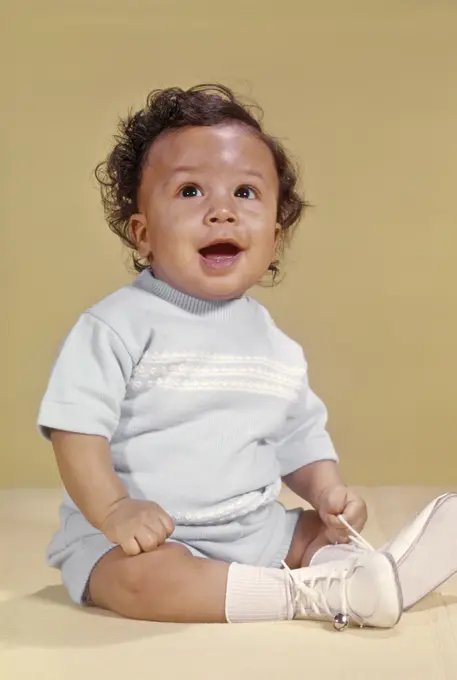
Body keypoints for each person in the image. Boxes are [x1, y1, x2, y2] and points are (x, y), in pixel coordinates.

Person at [37, 84, 404, 628]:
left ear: (274, 238)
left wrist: (329, 493)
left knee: (307, 532)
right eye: (189, 192)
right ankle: (307, 595)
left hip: (250, 529)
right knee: (141, 582)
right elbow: (76, 430)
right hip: (138, 539)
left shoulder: (276, 346)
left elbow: (297, 437)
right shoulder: (117, 326)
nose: (222, 213)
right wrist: (114, 510)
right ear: (143, 235)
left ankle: (351, 568)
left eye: (246, 194)